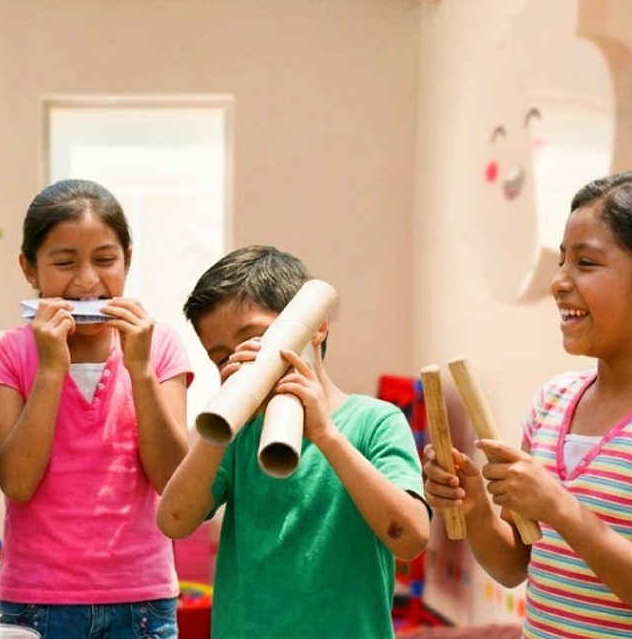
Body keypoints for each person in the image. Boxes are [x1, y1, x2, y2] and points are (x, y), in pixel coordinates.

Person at [156, 245, 430, 639]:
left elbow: (409, 539)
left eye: (255, 338)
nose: (244, 358)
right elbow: (174, 520)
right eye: (222, 357)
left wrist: (325, 435)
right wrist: (223, 418)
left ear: (316, 326)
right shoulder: (238, 435)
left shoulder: (374, 422)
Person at [0, 179, 192, 639]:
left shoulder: (160, 345)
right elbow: (17, 481)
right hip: (37, 602)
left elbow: (173, 479)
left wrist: (140, 369)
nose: (88, 280)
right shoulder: (4, 353)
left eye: (105, 260)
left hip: (143, 600)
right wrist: (52, 370)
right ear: (29, 268)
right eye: (64, 262)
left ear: (128, 259)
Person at [423, 171, 632, 637]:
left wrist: (559, 505)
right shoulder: (552, 401)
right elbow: (516, 564)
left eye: (586, 263)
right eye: (562, 261)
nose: (559, 282)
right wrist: (475, 505)